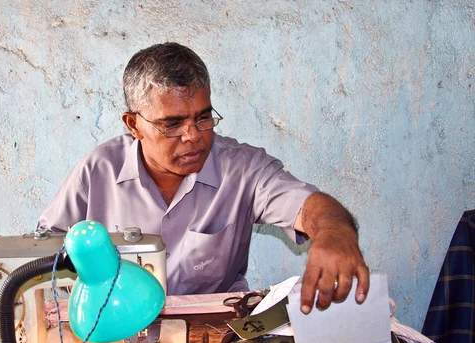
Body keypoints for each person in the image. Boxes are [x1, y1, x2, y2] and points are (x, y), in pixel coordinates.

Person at [38, 42, 369, 314]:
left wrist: (334, 232)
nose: (193, 135)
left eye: (204, 117)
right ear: (134, 125)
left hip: (215, 330)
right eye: (172, 124)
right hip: (118, 326)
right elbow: (43, 255)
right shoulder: (97, 172)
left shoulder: (242, 170)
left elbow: (310, 207)